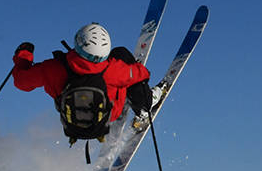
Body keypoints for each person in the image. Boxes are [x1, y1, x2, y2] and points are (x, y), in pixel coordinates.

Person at [12, 23, 164, 133]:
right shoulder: (113, 69)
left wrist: (23, 57)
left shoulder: (52, 68)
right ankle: (144, 107)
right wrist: (133, 69)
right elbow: (142, 73)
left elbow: (21, 82)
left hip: (71, 121)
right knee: (122, 53)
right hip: (108, 115)